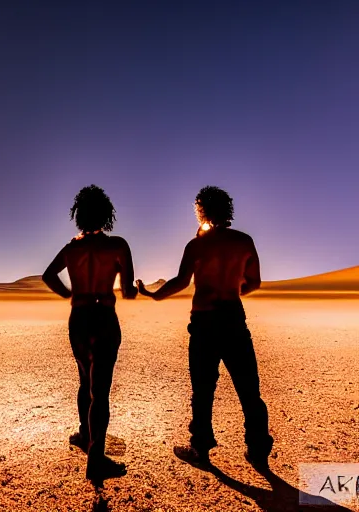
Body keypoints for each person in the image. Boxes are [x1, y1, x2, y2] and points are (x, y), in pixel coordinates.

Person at [137, 186, 274, 468]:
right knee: (248, 387)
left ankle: (200, 446)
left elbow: (181, 282)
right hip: (233, 318)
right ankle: (258, 448)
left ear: (201, 210)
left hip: (204, 323)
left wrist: (153, 295)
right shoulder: (244, 241)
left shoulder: (196, 245)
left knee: (203, 388)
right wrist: (233, 291)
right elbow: (255, 282)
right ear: (228, 209)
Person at [42, 185, 138, 483]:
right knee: (102, 390)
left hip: (80, 318)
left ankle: (85, 435)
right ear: (107, 215)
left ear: (79, 216)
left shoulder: (72, 248)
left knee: (85, 380)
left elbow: (48, 275)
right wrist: (135, 290)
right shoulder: (118, 245)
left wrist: (70, 293)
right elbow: (127, 291)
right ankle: (96, 459)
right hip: (105, 318)